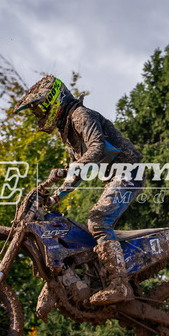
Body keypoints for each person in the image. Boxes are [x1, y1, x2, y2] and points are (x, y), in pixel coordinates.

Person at [15, 75, 143, 308]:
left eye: (39, 109)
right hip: (116, 177)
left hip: (129, 173)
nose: (38, 115)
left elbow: (97, 148)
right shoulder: (67, 131)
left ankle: (119, 284)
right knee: (72, 228)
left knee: (98, 219)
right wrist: (55, 197)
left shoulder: (80, 116)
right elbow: (76, 173)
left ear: (53, 101)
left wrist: (70, 170)